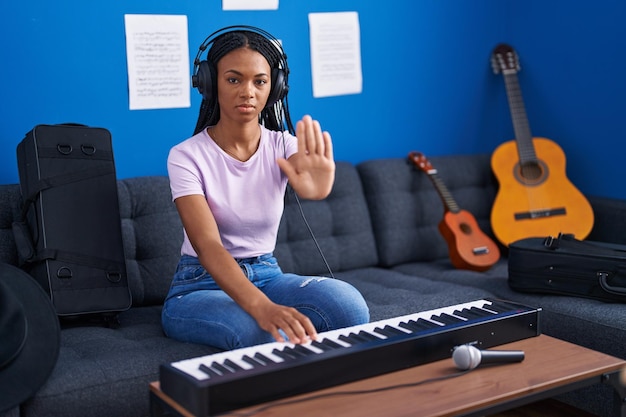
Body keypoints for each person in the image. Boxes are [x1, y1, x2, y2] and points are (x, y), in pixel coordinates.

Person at [161, 26, 370, 351]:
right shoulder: (186, 156)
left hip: (267, 273)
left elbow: (308, 174)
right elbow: (208, 246)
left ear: (275, 87)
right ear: (209, 83)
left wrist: (318, 189)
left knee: (348, 305)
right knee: (260, 332)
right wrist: (261, 307)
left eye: (259, 81)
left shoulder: (285, 146)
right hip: (199, 284)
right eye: (234, 79)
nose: (248, 91)